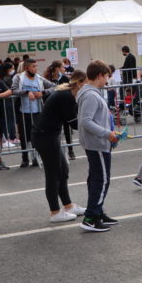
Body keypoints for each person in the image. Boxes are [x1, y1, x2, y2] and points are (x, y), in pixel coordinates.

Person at [32, 70, 88, 223]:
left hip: (50, 135)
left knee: (63, 171)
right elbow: (74, 123)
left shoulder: (68, 94)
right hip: (45, 137)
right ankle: (55, 212)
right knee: (54, 174)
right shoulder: (66, 96)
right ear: (79, 83)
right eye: (86, 85)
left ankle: (68, 206)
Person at [77, 60, 121, 233]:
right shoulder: (90, 95)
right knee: (101, 180)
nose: (107, 81)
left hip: (97, 142)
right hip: (97, 143)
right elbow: (85, 122)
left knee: (96, 178)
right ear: (99, 76)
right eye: (106, 77)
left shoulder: (91, 93)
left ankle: (98, 211)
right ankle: (91, 217)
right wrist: (106, 133)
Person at [12, 59, 54, 168]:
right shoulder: (19, 77)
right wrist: (27, 92)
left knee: (36, 136)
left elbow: (54, 87)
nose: (36, 68)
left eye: (36, 66)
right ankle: (25, 158)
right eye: (33, 66)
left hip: (37, 112)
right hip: (23, 112)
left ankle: (36, 157)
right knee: (24, 137)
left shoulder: (39, 78)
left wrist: (43, 93)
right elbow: (14, 90)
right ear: (27, 68)